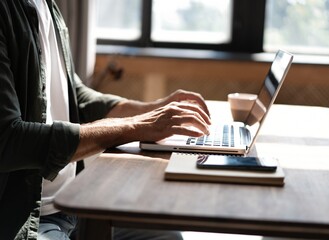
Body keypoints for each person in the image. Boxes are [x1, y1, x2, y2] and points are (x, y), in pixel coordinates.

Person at [0, 0, 211, 239]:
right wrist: (135, 127)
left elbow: (74, 94)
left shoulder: (47, 5)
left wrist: (150, 110)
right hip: (25, 219)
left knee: (166, 236)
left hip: (72, 204)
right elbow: (8, 139)